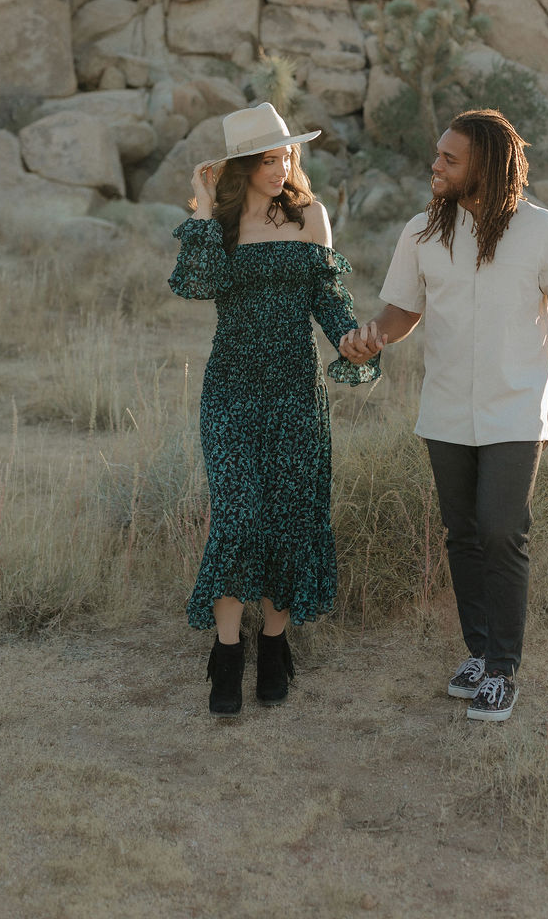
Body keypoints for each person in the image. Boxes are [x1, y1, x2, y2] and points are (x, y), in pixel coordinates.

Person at [339, 108, 548, 723]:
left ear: (483, 164)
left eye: (449, 159)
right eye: (437, 155)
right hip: (447, 409)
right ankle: (479, 655)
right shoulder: (422, 234)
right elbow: (403, 312)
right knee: (462, 534)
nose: (436, 166)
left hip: (515, 410)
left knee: (502, 530)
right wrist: (372, 336)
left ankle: (505, 669)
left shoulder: (540, 230)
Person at [168, 101, 379, 718]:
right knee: (237, 517)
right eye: (266, 157)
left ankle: (276, 645)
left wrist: (348, 338)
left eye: (286, 153)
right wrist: (204, 206)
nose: (281, 164)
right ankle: (226, 657)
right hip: (231, 390)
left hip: (295, 390)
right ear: (239, 166)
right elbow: (196, 283)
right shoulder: (221, 223)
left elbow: (329, 300)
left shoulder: (312, 216)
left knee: (290, 516)